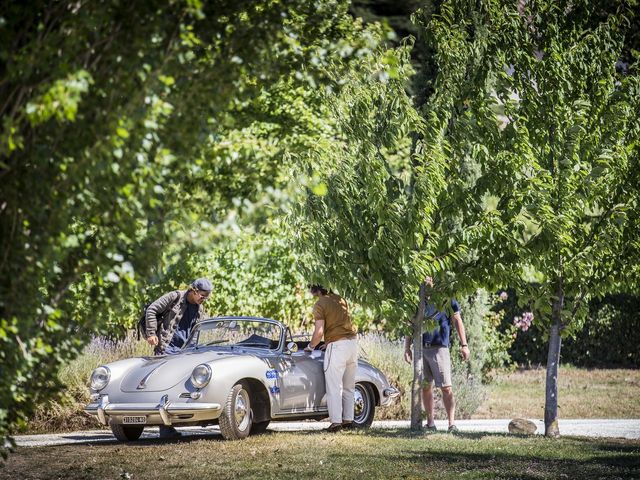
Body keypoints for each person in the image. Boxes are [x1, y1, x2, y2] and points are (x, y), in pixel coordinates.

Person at [144, 277, 211, 438]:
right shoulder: (174, 297)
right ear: (193, 290)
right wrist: (151, 333)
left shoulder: (198, 308)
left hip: (184, 351)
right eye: (202, 295)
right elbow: (152, 310)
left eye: (206, 297)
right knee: (163, 385)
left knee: (181, 386)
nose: (203, 299)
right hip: (166, 348)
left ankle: (177, 421)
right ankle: (165, 428)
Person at [403, 276, 470, 433]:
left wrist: (464, 345)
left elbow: (458, 320)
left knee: (446, 387)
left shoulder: (446, 299)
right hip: (421, 349)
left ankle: (451, 424)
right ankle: (430, 423)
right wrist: (407, 347)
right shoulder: (418, 301)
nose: (426, 281)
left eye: (429, 278)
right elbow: (410, 325)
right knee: (426, 387)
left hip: (440, 348)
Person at [305, 284, 357, 432]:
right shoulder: (341, 299)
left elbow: (319, 332)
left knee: (334, 386)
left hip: (337, 347)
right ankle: (348, 420)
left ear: (315, 289)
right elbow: (341, 325)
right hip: (352, 344)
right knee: (349, 387)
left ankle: (336, 423)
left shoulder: (320, 304)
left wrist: (311, 346)